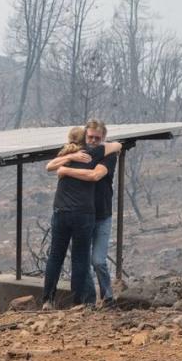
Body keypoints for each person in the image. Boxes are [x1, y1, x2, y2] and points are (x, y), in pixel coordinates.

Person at [40, 126, 122, 309]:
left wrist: (66, 166)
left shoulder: (64, 156)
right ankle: (79, 301)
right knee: (80, 258)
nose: (93, 140)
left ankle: (48, 299)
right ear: (85, 139)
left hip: (61, 210)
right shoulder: (94, 153)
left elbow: (49, 167)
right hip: (83, 213)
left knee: (55, 256)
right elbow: (116, 146)